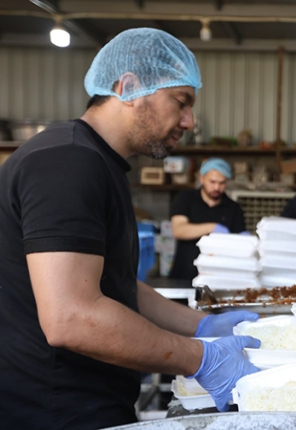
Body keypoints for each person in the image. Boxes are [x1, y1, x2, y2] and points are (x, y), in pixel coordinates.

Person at [0, 28, 260, 430]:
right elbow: (72, 316)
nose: (189, 121)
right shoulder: (66, 162)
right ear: (129, 87)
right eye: (181, 102)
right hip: (52, 409)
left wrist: (201, 325)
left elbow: (116, 284)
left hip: (90, 400)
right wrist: (200, 357)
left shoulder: (101, 163)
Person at [170, 157, 246, 280]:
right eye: (212, 182)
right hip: (184, 274)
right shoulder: (185, 199)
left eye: (222, 183)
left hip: (218, 276)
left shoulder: (233, 208)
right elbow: (178, 230)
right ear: (202, 179)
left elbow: (240, 242)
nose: (216, 187)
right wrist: (213, 227)